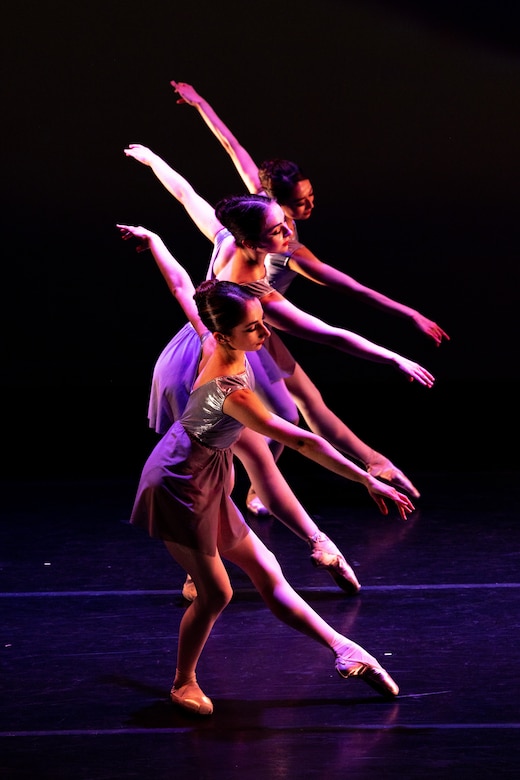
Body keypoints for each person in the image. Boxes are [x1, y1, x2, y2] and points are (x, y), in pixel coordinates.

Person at [125, 270, 414, 715]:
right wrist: (367, 478)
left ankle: (346, 649)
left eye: (262, 321)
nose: (263, 332)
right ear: (224, 333)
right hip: (178, 485)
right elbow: (302, 441)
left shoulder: (210, 337)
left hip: (206, 471)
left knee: (267, 569)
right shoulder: (231, 393)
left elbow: (184, 288)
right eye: (252, 327)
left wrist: (155, 241)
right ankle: (184, 684)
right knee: (216, 593)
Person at [123, 143, 434, 513]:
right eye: (278, 229)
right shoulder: (259, 297)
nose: (289, 231)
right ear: (254, 242)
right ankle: (235, 507)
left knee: (289, 413)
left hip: (215, 337)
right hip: (213, 353)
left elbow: (184, 192)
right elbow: (329, 333)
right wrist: (394, 358)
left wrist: (153, 159)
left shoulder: (227, 237)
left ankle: (358, 467)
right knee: (259, 433)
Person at [118, 222, 363, 599]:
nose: (288, 232)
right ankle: (203, 562)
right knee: (222, 471)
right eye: (277, 227)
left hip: (213, 361)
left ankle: (312, 542)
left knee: (246, 463)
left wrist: (155, 239)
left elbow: (182, 282)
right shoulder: (225, 327)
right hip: (196, 378)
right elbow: (183, 277)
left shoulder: (238, 314)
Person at [169, 79, 450, 345]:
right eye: (300, 203)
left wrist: (200, 103)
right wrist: (411, 314)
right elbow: (353, 288)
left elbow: (232, 145)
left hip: (247, 313)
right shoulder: (288, 249)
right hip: (250, 321)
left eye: (311, 195)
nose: (311, 205)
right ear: (277, 202)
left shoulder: (263, 201)